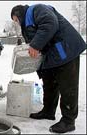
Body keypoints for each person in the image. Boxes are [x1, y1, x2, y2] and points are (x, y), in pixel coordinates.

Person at [11, 4, 86, 133]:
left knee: (68, 85)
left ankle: (68, 121)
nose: (17, 23)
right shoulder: (28, 24)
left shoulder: (37, 10)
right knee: (49, 81)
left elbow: (50, 23)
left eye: (16, 20)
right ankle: (48, 111)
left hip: (65, 49)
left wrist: (35, 45)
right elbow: (34, 39)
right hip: (52, 54)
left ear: (19, 14)